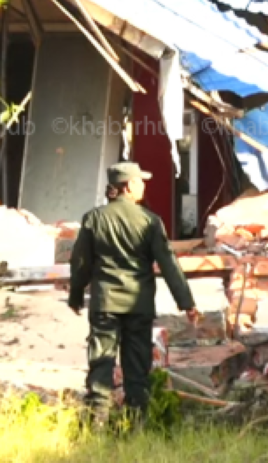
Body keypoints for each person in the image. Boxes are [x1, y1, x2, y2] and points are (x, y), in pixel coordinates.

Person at [68, 161, 198, 430]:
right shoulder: (150, 221)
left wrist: (76, 295)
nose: (144, 186)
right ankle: (135, 425)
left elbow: (80, 261)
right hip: (138, 305)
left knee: (101, 362)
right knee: (137, 366)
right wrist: (186, 302)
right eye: (141, 181)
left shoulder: (94, 218)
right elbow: (168, 262)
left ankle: (97, 425)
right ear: (128, 186)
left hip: (105, 303)